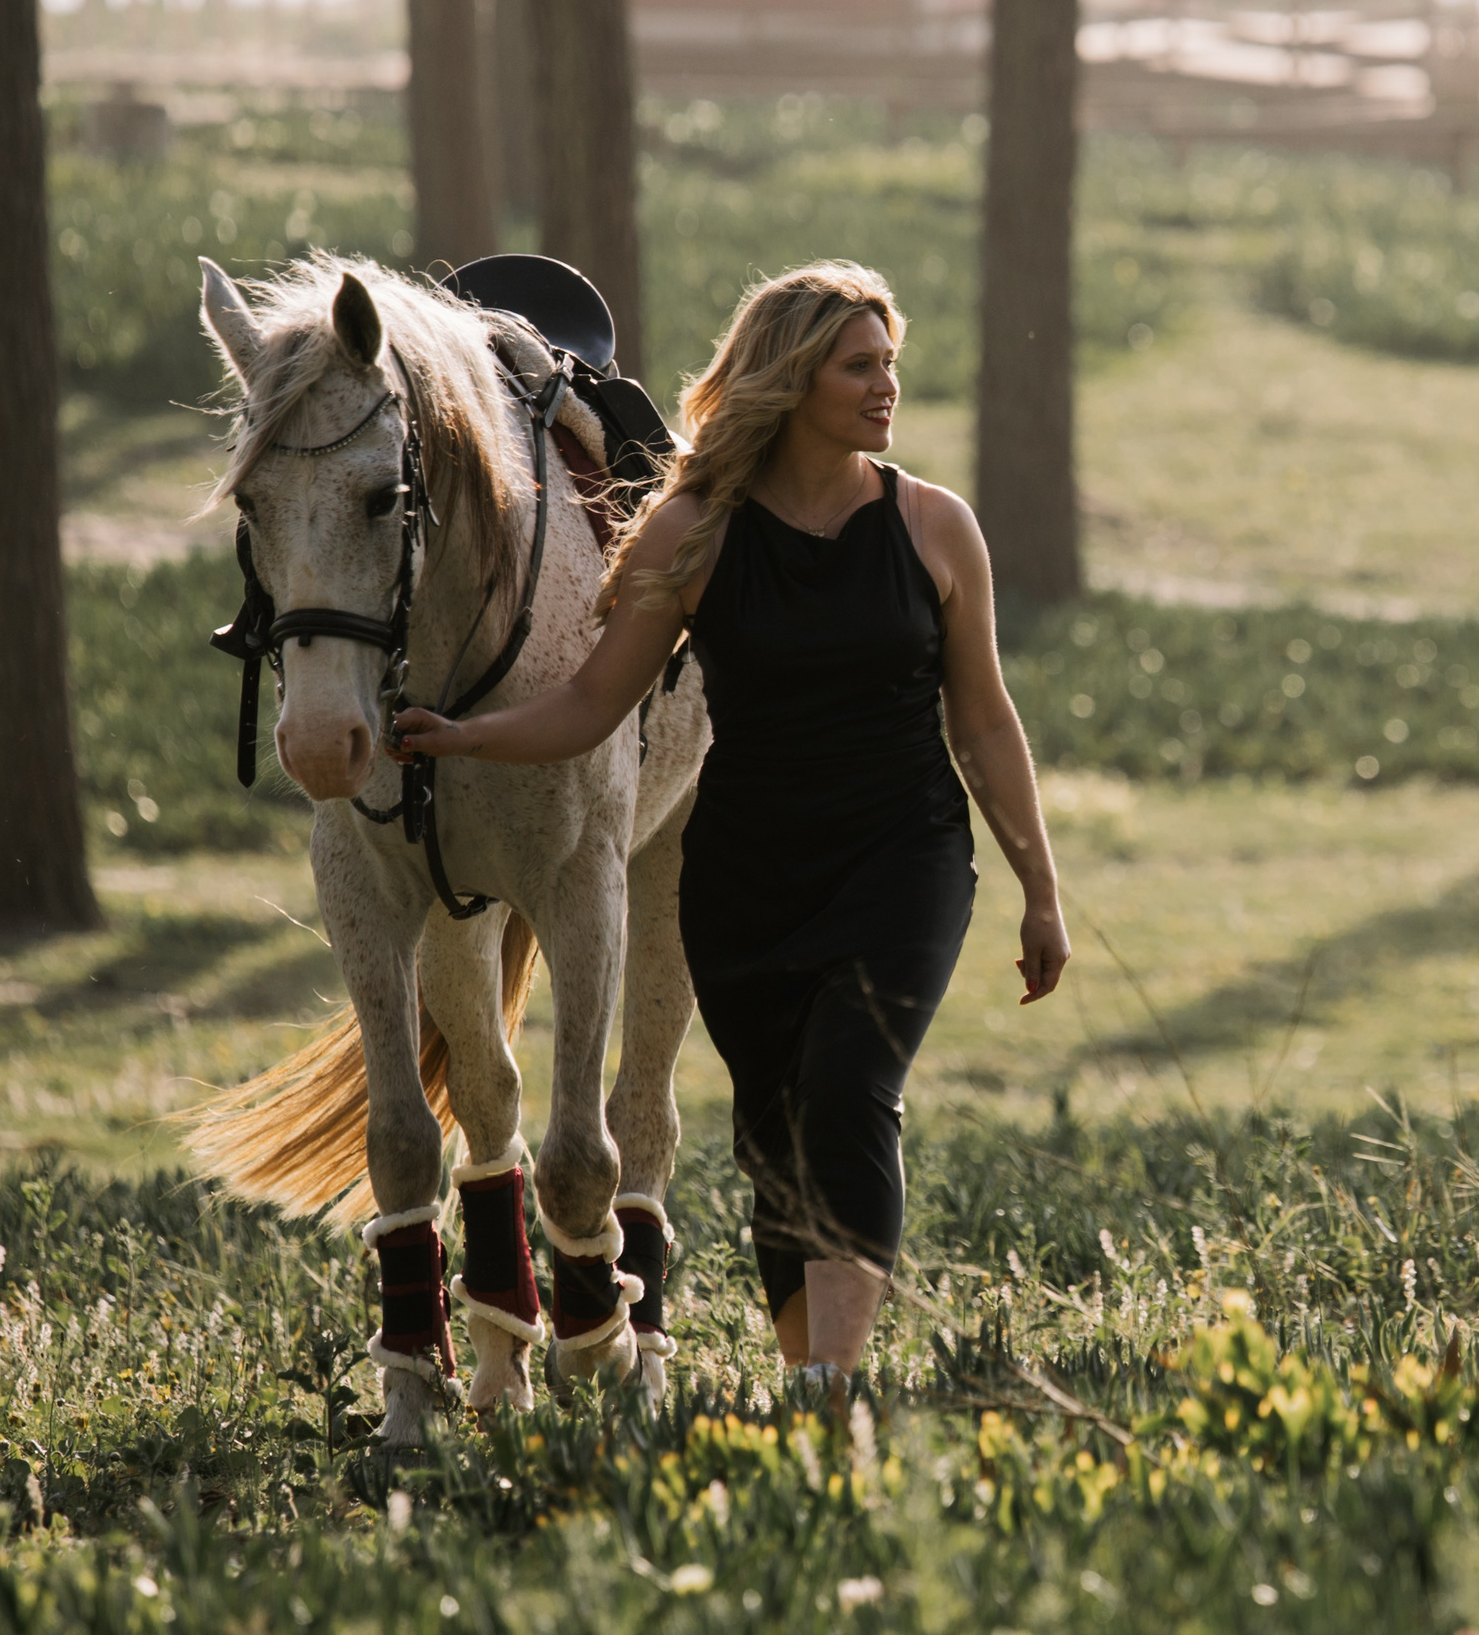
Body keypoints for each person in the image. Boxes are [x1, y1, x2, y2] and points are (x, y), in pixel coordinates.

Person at [391, 260, 1071, 1390]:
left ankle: (829, 1380)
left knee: (849, 1092)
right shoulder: (689, 536)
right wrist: (461, 739)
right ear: (791, 377)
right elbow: (589, 704)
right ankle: (808, 1383)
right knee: (773, 1134)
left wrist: (1039, 890)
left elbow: (987, 723)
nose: (886, 385)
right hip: (746, 876)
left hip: (901, 858)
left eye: (889, 363)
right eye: (859, 365)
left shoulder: (934, 526)